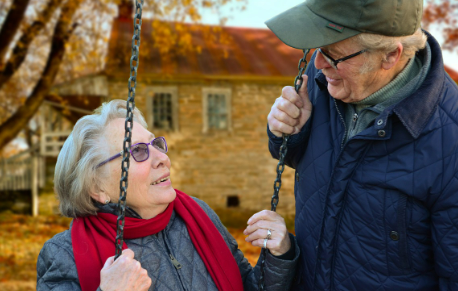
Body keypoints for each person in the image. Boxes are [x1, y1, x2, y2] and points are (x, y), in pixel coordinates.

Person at [266, 0, 458, 290]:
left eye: (334, 55)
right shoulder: (325, 85)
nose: (318, 64)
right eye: (317, 48)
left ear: (390, 55)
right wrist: (287, 132)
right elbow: (303, 161)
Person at [37, 100, 299, 291]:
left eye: (156, 144)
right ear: (97, 188)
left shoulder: (197, 215)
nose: (162, 158)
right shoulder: (64, 254)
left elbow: (249, 287)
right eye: (138, 151)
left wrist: (279, 254)